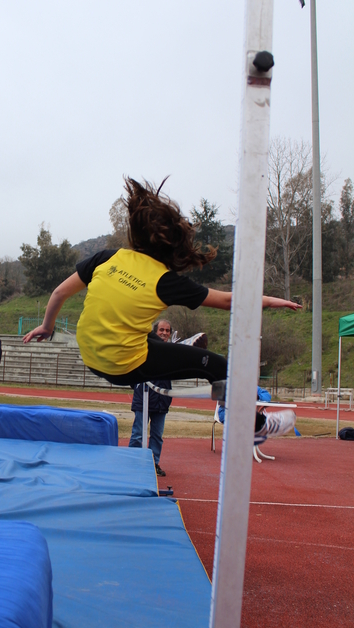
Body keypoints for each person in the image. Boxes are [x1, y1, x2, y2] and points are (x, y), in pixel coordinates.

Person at [23, 177, 301, 444]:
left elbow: (59, 292)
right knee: (218, 367)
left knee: (146, 336)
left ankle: (179, 348)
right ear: (173, 250)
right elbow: (230, 302)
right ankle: (254, 425)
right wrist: (272, 300)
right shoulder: (165, 281)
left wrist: (47, 327)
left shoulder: (108, 257)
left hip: (90, 353)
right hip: (124, 365)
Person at [129, 319, 173, 477]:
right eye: (161, 330)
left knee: (157, 435)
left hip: (162, 401)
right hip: (144, 399)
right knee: (138, 434)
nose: (164, 333)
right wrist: (138, 387)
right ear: (155, 331)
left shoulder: (172, 352)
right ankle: (132, 463)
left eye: (167, 330)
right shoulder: (145, 347)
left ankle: (153, 464)